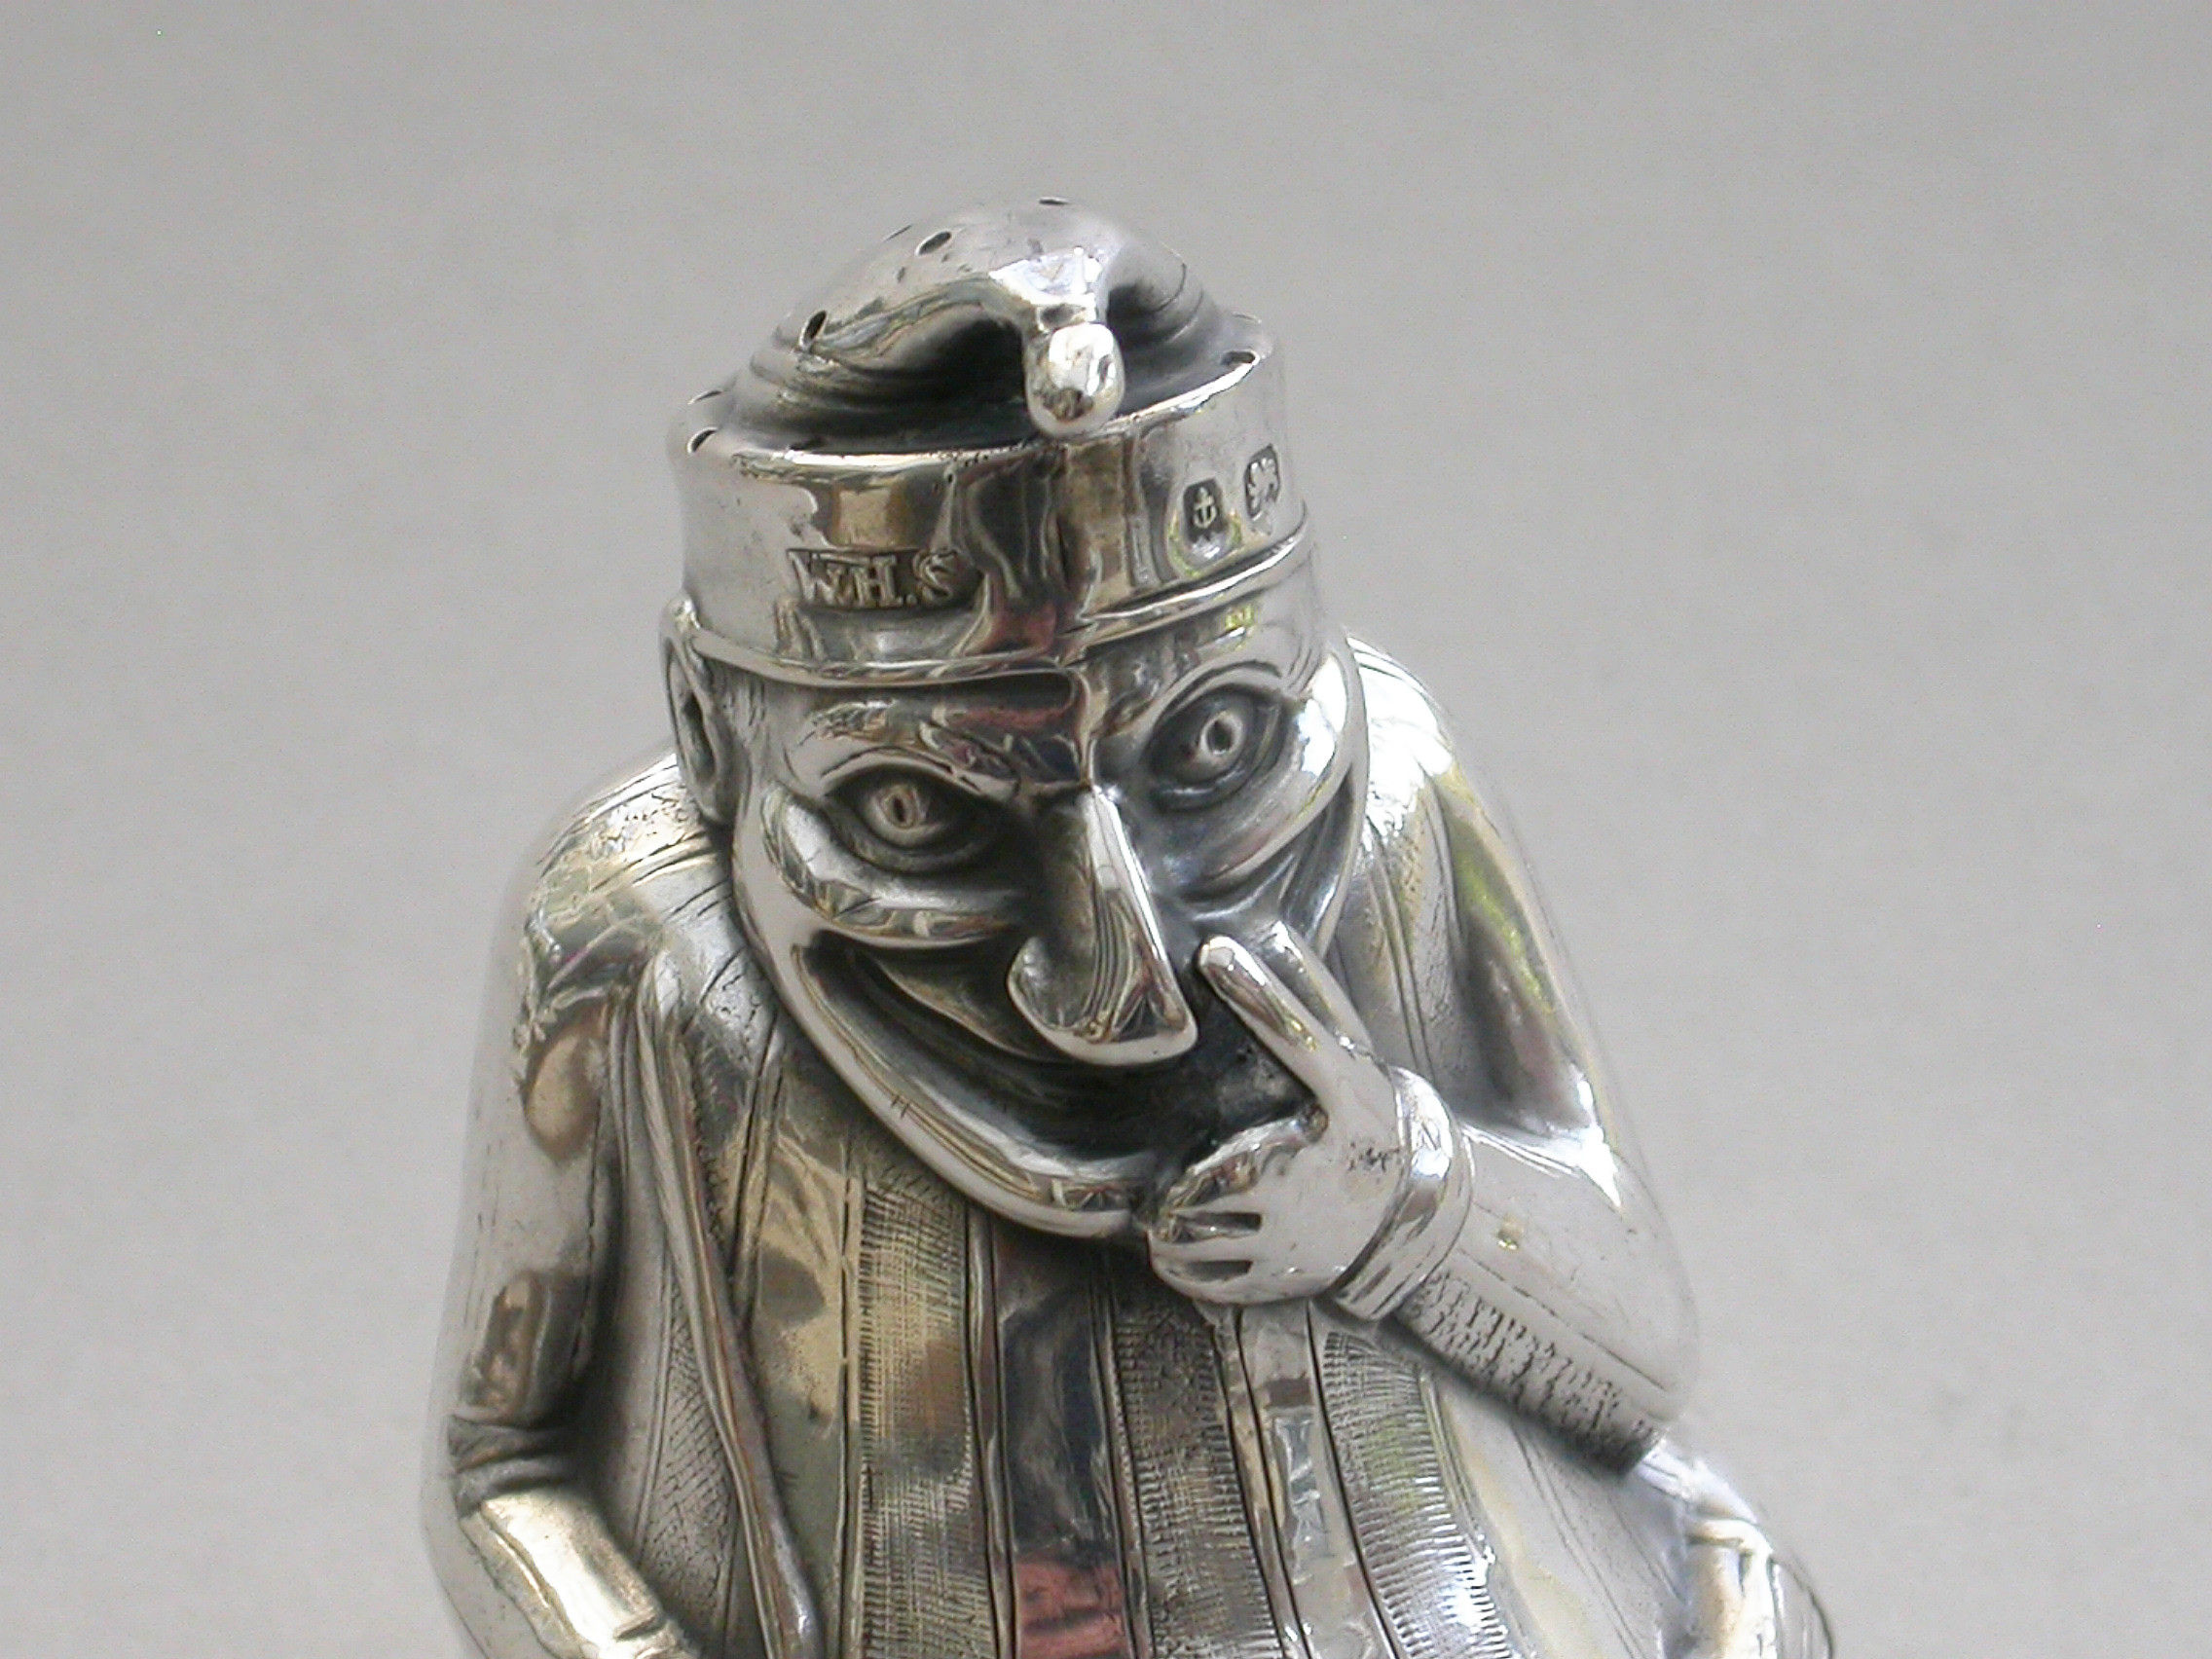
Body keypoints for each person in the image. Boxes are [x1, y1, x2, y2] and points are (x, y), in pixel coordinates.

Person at [424, 203, 1829, 1659]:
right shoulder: (629, 938)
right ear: (711, 734)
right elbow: (499, 1466)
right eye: (918, 812)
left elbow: (1637, 1366)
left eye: (1214, 748)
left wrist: (1411, 1205)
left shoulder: (1391, 789)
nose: (1129, 997)